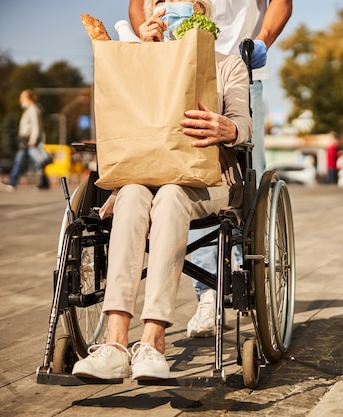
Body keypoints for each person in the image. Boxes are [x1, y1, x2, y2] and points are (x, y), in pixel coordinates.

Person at [70, 1, 252, 380]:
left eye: (182, 5)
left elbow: (244, 126)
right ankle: (116, 342)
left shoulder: (227, 64)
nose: (171, 11)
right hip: (140, 179)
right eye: (162, 4)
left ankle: (153, 341)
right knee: (134, 193)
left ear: (201, 12)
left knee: (170, 195)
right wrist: (142, 54)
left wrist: (227, 129)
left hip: (207, 183)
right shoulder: (137, 61)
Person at [129, 0, 292, 338]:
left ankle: (245, 274)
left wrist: (260, 41)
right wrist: (146, 43)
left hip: (236, 67)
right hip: (170, 68)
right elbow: (137, 5)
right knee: (182, 176)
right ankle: (209, 292)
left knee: (244, 178)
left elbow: (281, 3)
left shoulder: (232, 66)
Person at [0, 90, 51, 191]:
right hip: (27, 140)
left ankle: (12, 182)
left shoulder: (33, 109)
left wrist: (33, 140)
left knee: (20, 160)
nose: (20, 100)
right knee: (38, 161)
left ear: (29, 98)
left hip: (29, 140)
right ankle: (44, 183)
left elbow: (36, 125)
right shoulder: (29, 109)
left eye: (22, 98)